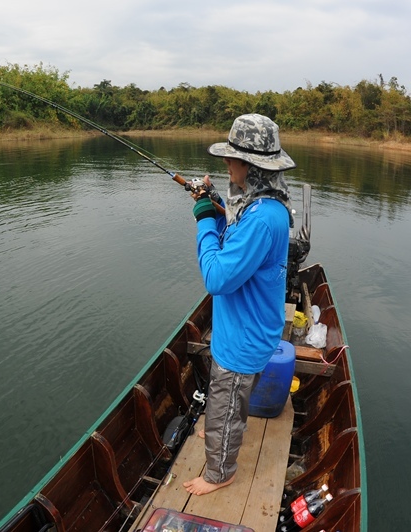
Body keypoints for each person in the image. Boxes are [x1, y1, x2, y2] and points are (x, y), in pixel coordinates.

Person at [183, 113, 295, 496]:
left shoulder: (262, 218)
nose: (227, 164)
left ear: (251, 165)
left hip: (242, 338)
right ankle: (221, 423)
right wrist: (216, 206)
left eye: (232, 158)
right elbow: (237, 235)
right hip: (246, 327)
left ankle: (220, 471)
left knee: (226, 397)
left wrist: (202, 220)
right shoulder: (264, 205)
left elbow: (216, 278)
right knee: (226, 396)